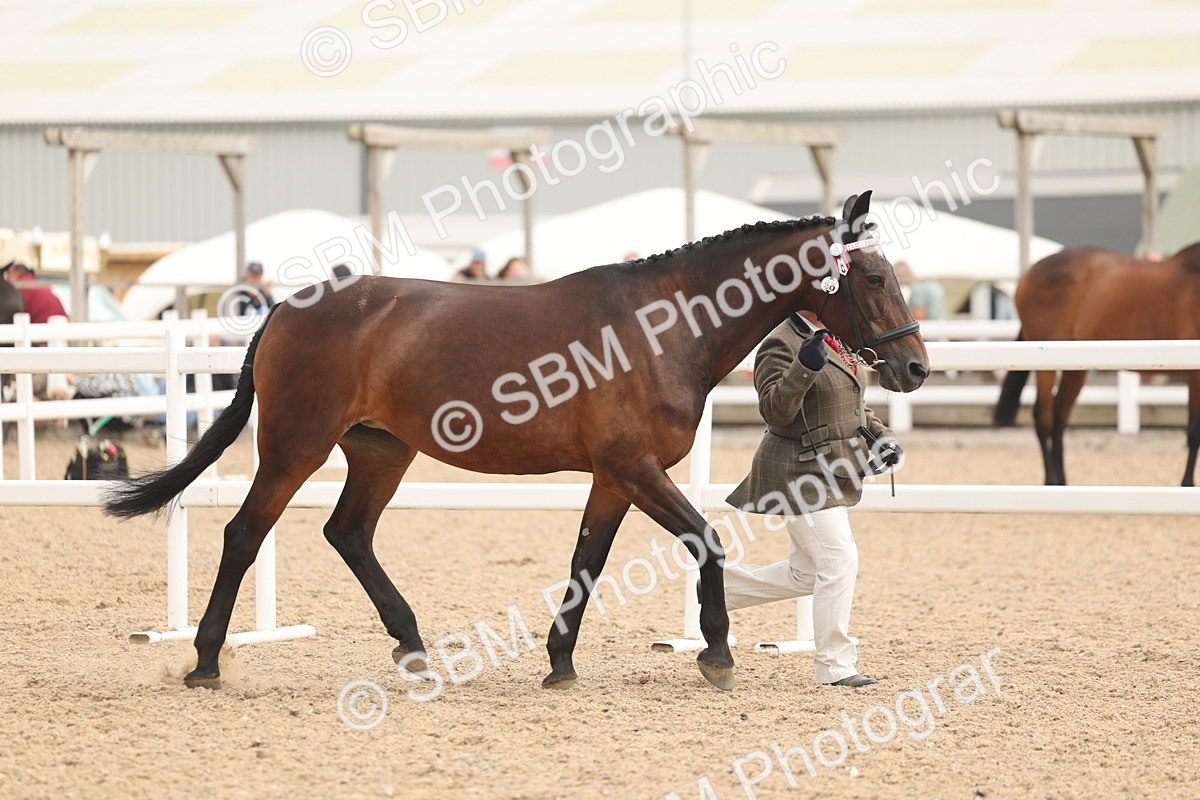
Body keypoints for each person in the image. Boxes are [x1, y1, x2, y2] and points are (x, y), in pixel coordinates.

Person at [724, 311, 902, 688]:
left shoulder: (836, 333)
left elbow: (850, 403)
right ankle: (835, 666)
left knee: (806, 573)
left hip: (830, 468)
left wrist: (880, 436)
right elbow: (775, 412)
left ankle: (719, 589)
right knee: (839, 560)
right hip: (796, 470)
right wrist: (803, 368)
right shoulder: (780, 343)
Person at [1, 261, 68, 323]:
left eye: (8, 275)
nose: (7, 279)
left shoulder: (23, 287)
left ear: (17, 274)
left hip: (42, 328)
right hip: (63, 324)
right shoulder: (36, 283)